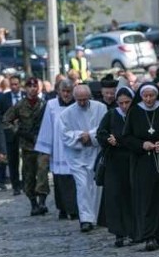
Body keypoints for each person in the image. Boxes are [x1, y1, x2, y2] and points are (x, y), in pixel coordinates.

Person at [122, 83, 159, 251]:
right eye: (145, 96)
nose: (148, 99)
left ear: (157, 95)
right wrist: (142, 144)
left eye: (152, 96)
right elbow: (126, 137)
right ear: (141, 96)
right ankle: (148, 236)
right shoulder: (135, 111)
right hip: (143, 163)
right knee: (146, 200)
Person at [59, 85, 106, 233]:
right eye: (79, 100)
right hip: (77, 156)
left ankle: (96, 216)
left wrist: (90, 136)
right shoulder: (66, 114)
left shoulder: (101, 108)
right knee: (82, 186)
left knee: (96, 186)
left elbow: (103, 127)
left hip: (95, 152)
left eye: (85, 99)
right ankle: (85, 219)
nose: (82, 103)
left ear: (90, 97)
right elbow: (65, 134)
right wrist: (81, 136)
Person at [4, 77, 50, 216]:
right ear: (26, 88)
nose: (32, 89)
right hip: (27, 147)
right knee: (28, 176)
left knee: (42, 173)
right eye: (29, 86)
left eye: (35, 86)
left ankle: (42, 202)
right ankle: (34, 204)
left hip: (42, 146)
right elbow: (6, 120)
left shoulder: (44, 105)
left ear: (39, 88)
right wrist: (17, 130)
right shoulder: (20, 105)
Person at [96, 87, 136, 246]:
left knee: (132, 197)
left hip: (132, 161)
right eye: (121, 103)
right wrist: (107, 140)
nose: (124, 106)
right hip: (114, 163)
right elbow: (100, 133)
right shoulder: (112, 114)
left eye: (127, 102)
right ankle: (119, 232)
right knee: (115, 198)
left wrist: (119, 140)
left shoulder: (136, 115)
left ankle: (133, 231)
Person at [35, 80, 79, 220]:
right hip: (58, 148)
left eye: (69, 91)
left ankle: (74, 209)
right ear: (59, 91)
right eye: (64, 91)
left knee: (73, 180)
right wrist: (46, 150)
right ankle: (62, 208)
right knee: (59, 180)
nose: (66, 94)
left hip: (74, 146)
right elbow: (47, 127)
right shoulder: (51, 105)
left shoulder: (77, 104)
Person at [0, 76, 24, 195]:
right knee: (13, 161)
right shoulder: (4, 98)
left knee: (26, 161)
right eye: (12, 84)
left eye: (16, 84)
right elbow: (0, 116)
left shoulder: (25, 96)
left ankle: (26, 183)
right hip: (10, 134)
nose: (14, 87)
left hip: (24, 134)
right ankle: (16, 186)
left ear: (20, 85)